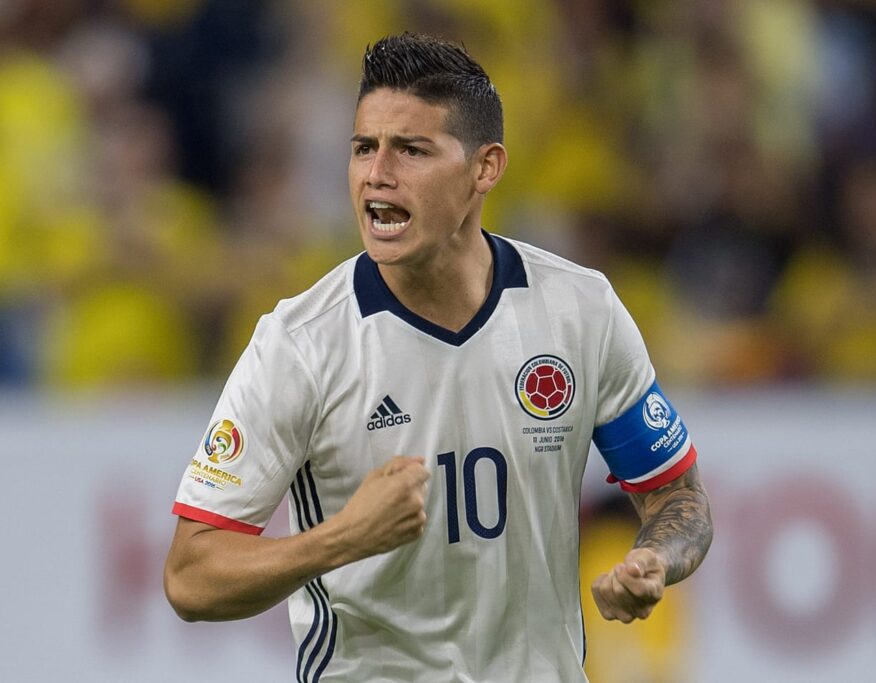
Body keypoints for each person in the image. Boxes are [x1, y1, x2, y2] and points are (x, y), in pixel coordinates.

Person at [164, 32, 713, 683]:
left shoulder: (579, 310)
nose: (377, 173)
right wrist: (345, 537)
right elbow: (190, 575)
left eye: (411, 150)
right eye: (364, 148)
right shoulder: (299, 344)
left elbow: (678, 496)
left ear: (485, 168)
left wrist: (656, 558)